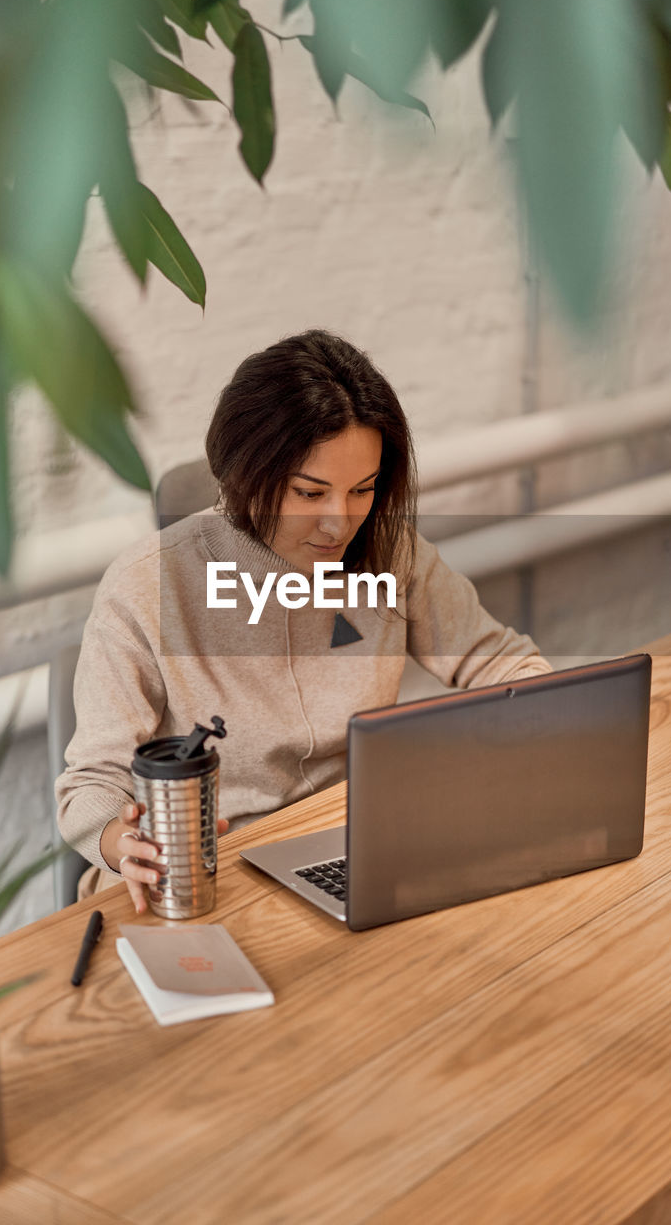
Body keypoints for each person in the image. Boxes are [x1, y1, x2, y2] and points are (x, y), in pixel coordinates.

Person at [56, 330, 551, 910]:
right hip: (201, 880)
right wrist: (125, 843)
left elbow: (495, 660)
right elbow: (91, 785)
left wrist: (556, 717)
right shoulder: (147, 586)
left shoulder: (387, 550)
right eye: (308, 493)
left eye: (362, 489)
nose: (339, 525)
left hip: (348, 850)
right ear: (243, 474)